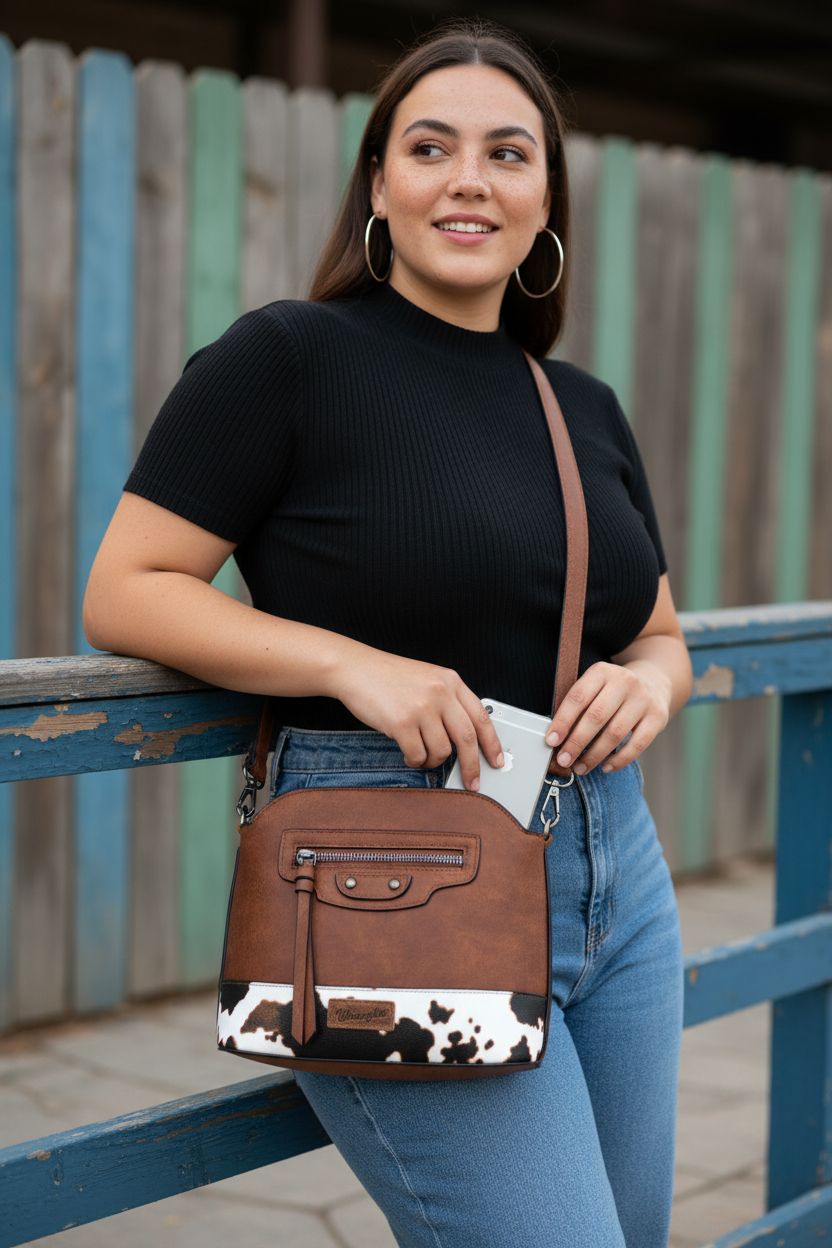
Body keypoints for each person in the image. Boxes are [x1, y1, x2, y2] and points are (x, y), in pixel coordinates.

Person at [83, 16, 693, 1247]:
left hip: (616, 876)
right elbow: (126, 588)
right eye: (430, 147)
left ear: (544, 202)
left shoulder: (580, 404)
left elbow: (659, 635)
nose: (469, 179)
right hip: (387, 874)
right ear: (379, 184)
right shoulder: (287, 358)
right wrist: (348, 665)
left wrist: (652, 685)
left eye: (507, 154)